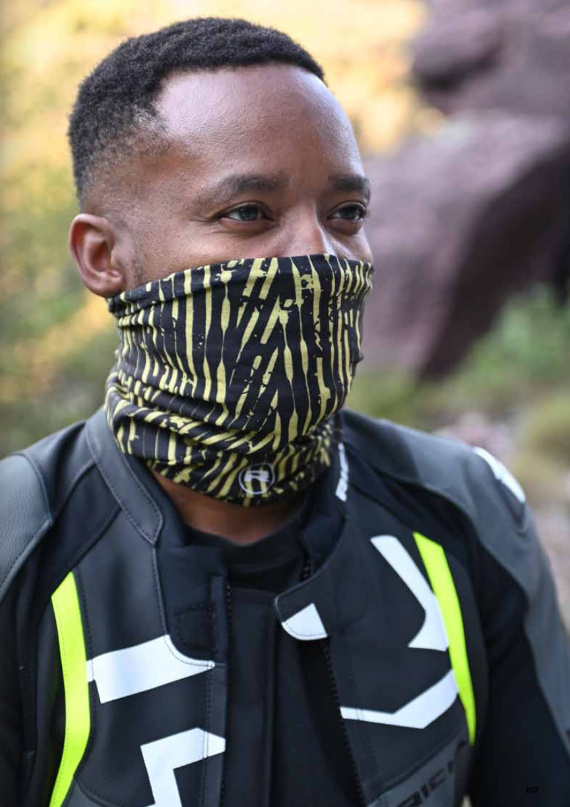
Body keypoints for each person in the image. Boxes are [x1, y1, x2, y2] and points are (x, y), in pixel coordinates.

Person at [0, 17, 569, 807]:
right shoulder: (20, 545)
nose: (320, 255)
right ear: (105, 257)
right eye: (249, 213)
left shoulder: (465, 510)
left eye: (346, 213)